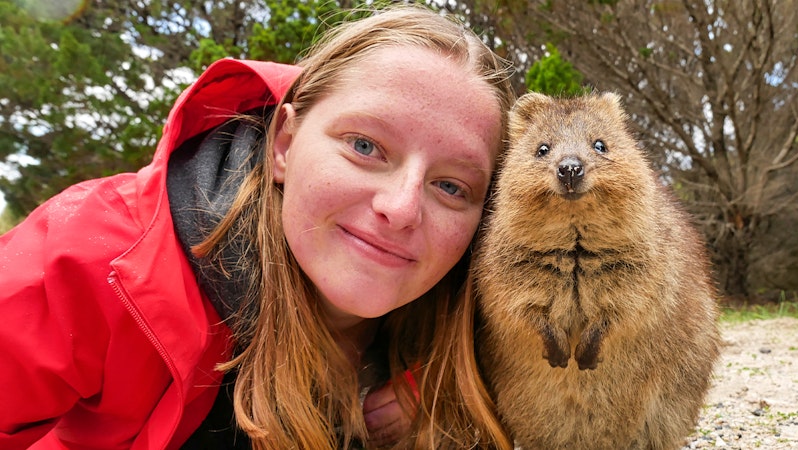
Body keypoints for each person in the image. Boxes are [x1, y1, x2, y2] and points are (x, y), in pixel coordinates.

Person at [0, 5, 516, 449]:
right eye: (364, 146)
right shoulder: (101, 260)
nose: (402, 208)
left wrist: (431, 387)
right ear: (284, 144)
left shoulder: (503, 320)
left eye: (451, 187)